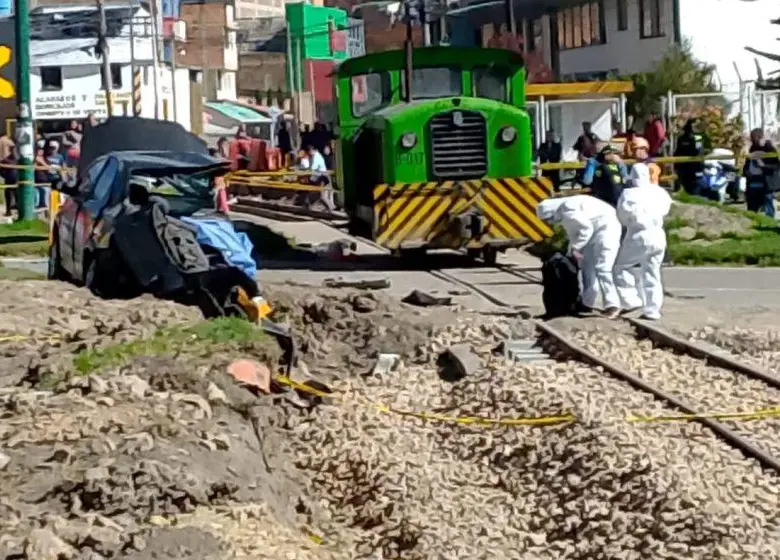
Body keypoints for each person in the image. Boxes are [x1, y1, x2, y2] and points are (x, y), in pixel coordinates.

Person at [536, 194, 622, 318]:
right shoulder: (565, 209)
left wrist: (575, 249)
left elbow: (586, 230)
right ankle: (587, 303)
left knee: (603, 268)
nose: (549, 222)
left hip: (607, 231)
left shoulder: (568, 209)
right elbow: (576, 234)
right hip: (596, 232)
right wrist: (572, 251)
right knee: (587, 268)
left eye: (548, 219)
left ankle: (612, 305)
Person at [613, 164, 672, 320]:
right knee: (652, 272)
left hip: (638, 234)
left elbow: (622, 216)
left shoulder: (628, 194)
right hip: (658, 234)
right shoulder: (659, 192)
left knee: (620, 267)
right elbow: (666, 209)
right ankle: (652, 310)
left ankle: (631, 300)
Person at [743, 128, 779, 217]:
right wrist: (746, 171)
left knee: (768, 206)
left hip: (766, 183)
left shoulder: (770, 150)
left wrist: (763, 166)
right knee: (752, 207)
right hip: (752, 181)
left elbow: (775, 167)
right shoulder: (752, 148)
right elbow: (747, 164)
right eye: (752, 137)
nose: (752, 139)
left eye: (754, 137)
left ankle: (769, 222)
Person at [674, 119, 704, 194]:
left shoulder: (681, 138)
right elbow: (698, 152)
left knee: (688, 186)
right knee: (693, 188)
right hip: (692, 167)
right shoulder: (697, 138)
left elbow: (677, 152)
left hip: (684, 166)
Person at [306, 144, 336, 211]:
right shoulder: (315, 156)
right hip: (320, 177)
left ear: (311, 150)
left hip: (322, 177)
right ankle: (310, 206)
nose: (309, 153)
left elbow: (314, 167)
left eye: (309, 151)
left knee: (322, 196)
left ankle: (331, 208)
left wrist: (308, 170)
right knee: (317, 194)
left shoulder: (317, 156)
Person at [0, 146, 18, 216]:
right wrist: (4, 175)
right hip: (9, 180)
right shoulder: (6, 160)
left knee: (18, 196)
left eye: (16, 151)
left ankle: (19, 211)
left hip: (18, 181)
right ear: (11, 151)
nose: (15, 152)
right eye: (14, 151)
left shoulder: (19, 160)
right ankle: (8, 211)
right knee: (8, 196)